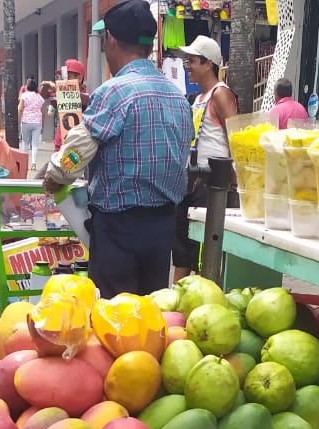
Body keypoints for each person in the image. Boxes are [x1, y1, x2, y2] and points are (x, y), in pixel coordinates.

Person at [42, 0, 191, 296]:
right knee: (150, 310)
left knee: (114, 317)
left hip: (119, 230)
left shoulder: (114, 92)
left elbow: (78, 151)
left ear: (110, 39)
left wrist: (56, 175)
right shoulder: (177, 97)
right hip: (162, 227)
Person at [172, 34, 238, 282]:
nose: (188, 66)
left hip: (210, 184)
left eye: (192, 61)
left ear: (208, 63)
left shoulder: (220, 94)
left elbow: (236, 137)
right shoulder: (197, 99)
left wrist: (233, 178)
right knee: (181, 252)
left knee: (202, 254)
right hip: (190, 181)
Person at [52, 59, 88, 151]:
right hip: (60, 142)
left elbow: (85, 99)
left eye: (68, 77)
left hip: (78, 144)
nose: (65, 81)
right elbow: (47, 96)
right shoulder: (59, 93)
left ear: (79, 78)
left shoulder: (86, 96)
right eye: (63, 77)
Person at [18, 78, 45, 174]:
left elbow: (20, 109)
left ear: (27, 87)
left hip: (25, 121)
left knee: (25, 143)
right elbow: (43, 112)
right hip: (37, 122)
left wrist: (19, 120)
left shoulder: (24, 96)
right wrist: (43, 124)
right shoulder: (40, 98)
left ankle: (24, 164)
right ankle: (33, 164)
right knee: (35, 144)